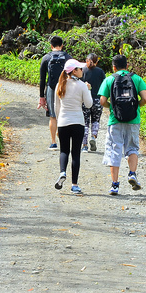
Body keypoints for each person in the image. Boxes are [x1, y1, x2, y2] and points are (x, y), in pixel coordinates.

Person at [98, 54, 146, 195]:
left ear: (113, 67)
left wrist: (113, 107)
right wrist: (136, 106)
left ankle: (115, 185)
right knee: (132, 148)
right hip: (133, 120)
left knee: (114, 150)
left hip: (115, 121)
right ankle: (132, 173)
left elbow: (102, 101)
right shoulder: (136, 78)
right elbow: (145, 98)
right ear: (127, 66)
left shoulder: (109, 79)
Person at [53, 59, 93, 195]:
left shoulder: (60, 84)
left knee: (64, 151)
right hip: (78, 122)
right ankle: (74, 185)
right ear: (74, 71)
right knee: (76, 153)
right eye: (80, 68)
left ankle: (62, 172)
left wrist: (58, 124)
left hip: (63, 122)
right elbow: (89, 104)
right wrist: (88, 90)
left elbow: (56, 107)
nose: (82, 70)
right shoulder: (82, 85)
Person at [38, 36, 68, 150]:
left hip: (51, 88)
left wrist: (42, 96)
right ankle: (64, 141)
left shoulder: (46, 58)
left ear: (51, 46)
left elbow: (42, 79)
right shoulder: (67, 58)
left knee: (53, 116)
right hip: (64, 88)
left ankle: (53, 142)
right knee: (64, 114)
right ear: (62, 45)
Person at [81, 53, 105, 152]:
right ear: (97, 61)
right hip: (97, 100)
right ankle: (93, 137)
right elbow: (104, 86)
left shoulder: (82, 71)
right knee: (96, 120)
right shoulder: (100, 72)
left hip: (85, 100)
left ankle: (85, 145)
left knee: (85, 122)